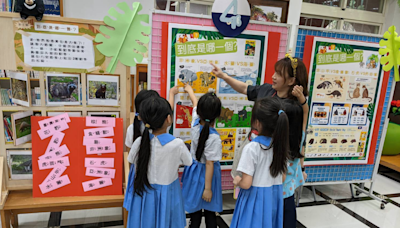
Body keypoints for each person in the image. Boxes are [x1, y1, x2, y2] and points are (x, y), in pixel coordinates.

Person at [211, 54, 309, 180]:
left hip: (270, 157)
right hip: (251, 145)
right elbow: (245, 88)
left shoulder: (293, 108)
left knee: (257, 186)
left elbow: (299, 138)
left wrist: (301, 167)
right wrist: (224, 76)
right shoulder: (267, 89)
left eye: (279, 74)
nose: (273, 76)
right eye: (275, 72)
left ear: (291, 80)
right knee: (241, 181)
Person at [125, 96, 193, 228]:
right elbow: (188, 162)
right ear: (169, 119)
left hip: (143, 193)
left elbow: (131, 160)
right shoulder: (177, 144)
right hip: (168, 194)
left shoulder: (139, 142)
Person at [231, 97, 290, 228]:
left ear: (257, 123)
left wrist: (237, 181)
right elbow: (283, 177)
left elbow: (246, 183)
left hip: (254, 199)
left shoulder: (252, 148)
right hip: (273, 196)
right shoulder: (280, 145)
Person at [181, 84, 223, 228]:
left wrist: (190, 91)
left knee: (195, 212)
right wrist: (208, 188)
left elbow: (195, 103)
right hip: (208, 177)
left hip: (193, 172)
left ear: (199, 112)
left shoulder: (194, 123)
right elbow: (210, 164)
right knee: (210, 213)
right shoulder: (214, 138)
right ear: (217, 115)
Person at [282, 99, 306, 228]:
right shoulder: (300, 137)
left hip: (276, 194)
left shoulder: (279, 143)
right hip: (289, 193)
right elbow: (305, 116)